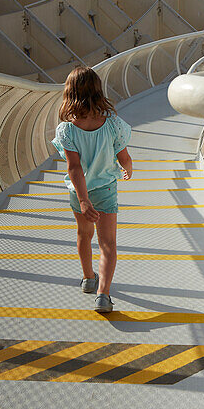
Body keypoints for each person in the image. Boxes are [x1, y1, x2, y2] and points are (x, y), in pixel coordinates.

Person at [52, 66, 132, 313]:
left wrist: (84, 200)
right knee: (108, 243)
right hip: (106, 191)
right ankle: (103, 295)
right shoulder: (113, 125)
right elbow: (124, 157)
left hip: (79, 193)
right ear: (98, 91)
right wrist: (128, 168)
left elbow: (74, 167)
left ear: (69, 93)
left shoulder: (66, 129)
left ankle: (88, 278)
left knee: (83, 234)